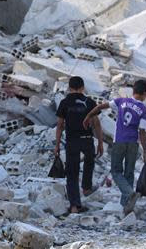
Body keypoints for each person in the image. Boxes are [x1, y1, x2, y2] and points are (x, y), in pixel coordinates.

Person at [83, 79, 146, 215]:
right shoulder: (143, 109)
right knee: (129, 173)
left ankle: (129, 195)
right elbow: (142, 132)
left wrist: (88, 116)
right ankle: (126, 205)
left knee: (115, 171)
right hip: (133, 143)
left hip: (119, 141)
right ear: (144, 93)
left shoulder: (121, 101)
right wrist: (145, 151)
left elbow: (101, 106)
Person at [55, 76, 104, 214]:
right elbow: (96, 124)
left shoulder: (64, 102)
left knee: (72, 172)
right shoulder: (89, 102)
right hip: (87, 139)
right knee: (89, 163)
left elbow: (59, 126)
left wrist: (57, 145)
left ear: (69, 88)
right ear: (83, 88)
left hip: (72, 141)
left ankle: (75, 206)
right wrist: (100, 142)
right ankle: (86, 187)